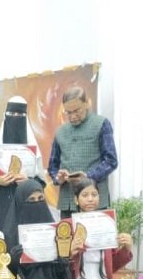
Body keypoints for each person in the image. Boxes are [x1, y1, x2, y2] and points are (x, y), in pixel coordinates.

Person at [2, 180, 71, 279]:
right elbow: (3, 276)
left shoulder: (51, 230)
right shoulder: (9, 234)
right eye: (31, 200)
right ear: (20, 203)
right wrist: (13, 261)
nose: (37, 204)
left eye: (40, 199)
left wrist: (61, 262)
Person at [67, 177, 133, 279]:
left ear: (99, 197)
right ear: (76, 200)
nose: (90, 199)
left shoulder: (107, 223)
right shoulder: (68, 226)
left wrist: (127, 248)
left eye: (94, 194)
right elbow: (60, 265)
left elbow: (112, 264)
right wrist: (70, 253)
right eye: (85, 195)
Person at [48, 87, 118, 218]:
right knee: (68, 232)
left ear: (86, 103)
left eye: (77, 110)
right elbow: (52, 166)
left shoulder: (101, 124)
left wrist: (88, 176)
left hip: (95, 201)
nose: (72, 116)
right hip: (67, 202)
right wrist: (58, 178)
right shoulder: (60, 132)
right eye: (68, 112)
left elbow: (111, 161)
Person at [0, 96, 45, 230]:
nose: (16, 118)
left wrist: (28, 182)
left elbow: (41, 183)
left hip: (26, 208)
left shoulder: (32, 146)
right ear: (6, 115)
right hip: (0, 208)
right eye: (12, 114)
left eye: (20, 115)